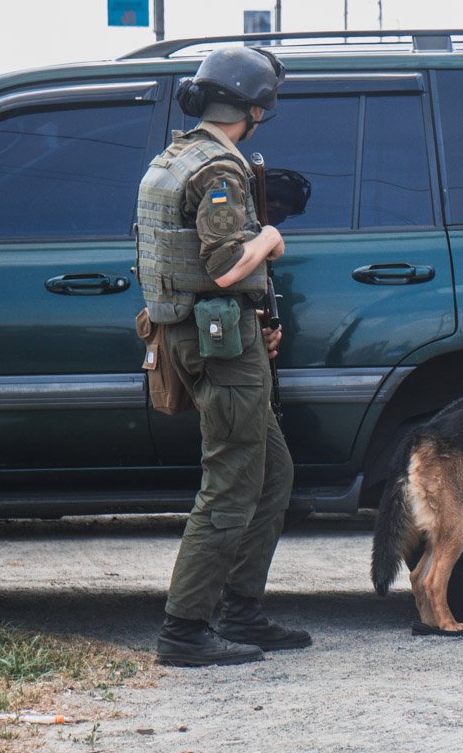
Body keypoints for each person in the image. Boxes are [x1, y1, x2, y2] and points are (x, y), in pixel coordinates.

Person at [135, 46, 310, 667]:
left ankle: (241, 611)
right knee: (231, 482)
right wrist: (270, 237)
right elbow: (225, 265)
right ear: (254, 110)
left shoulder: (175, 156)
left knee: (273, 473)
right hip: (218, 345)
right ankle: (184, 630)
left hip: (212, 336)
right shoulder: (219, 170)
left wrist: (257, 320)